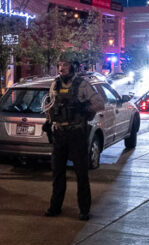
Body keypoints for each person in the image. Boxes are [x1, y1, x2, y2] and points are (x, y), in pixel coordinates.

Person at [42, 55, 105, 221]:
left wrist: (84, 108)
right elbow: (50, 105)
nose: (61, 68)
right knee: (57, 174)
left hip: (76, 133)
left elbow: (100, 103)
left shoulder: (82, 85)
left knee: (81, 174)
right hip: (59, 134)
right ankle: (55, 207)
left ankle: (84, 210)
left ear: (73, 67)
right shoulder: (55, 84)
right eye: (60, 64)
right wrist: (48, 122)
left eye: (65, 65)